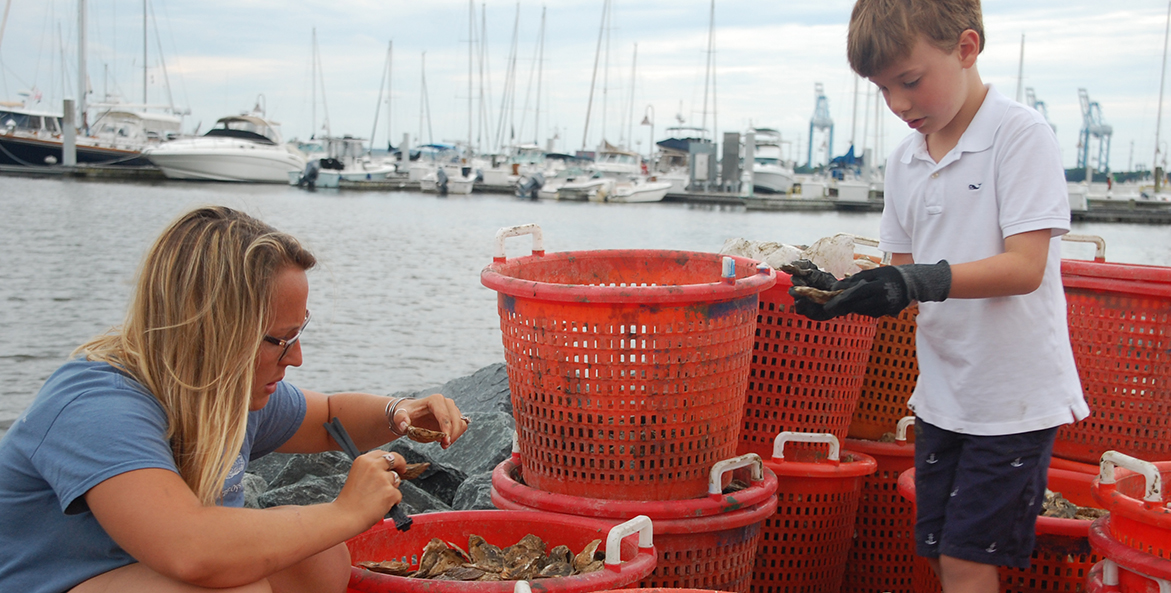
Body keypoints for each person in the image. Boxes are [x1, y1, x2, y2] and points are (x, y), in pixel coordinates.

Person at [0, 206, 469, 593]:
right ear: (214, 331)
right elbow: (191, 549)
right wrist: (345, 512)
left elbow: (330, 416)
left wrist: (400, 412)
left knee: (319, 557)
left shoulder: (222, 394)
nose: (297, 358)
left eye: (299, 333)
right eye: (281, 340)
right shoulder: (97, 407)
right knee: (232, 588)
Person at [790, 1, 1091, 592]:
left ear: (966, 48)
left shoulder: (1019, 135)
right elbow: (902, 274)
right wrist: (851, 291)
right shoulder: (904, 162)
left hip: (1013, 399)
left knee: (966, 559)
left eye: (910, 81)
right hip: (942, 395)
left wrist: (917, 281)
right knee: (937, 549)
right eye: (883, 89)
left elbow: (1026, 267)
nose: (899, 104)